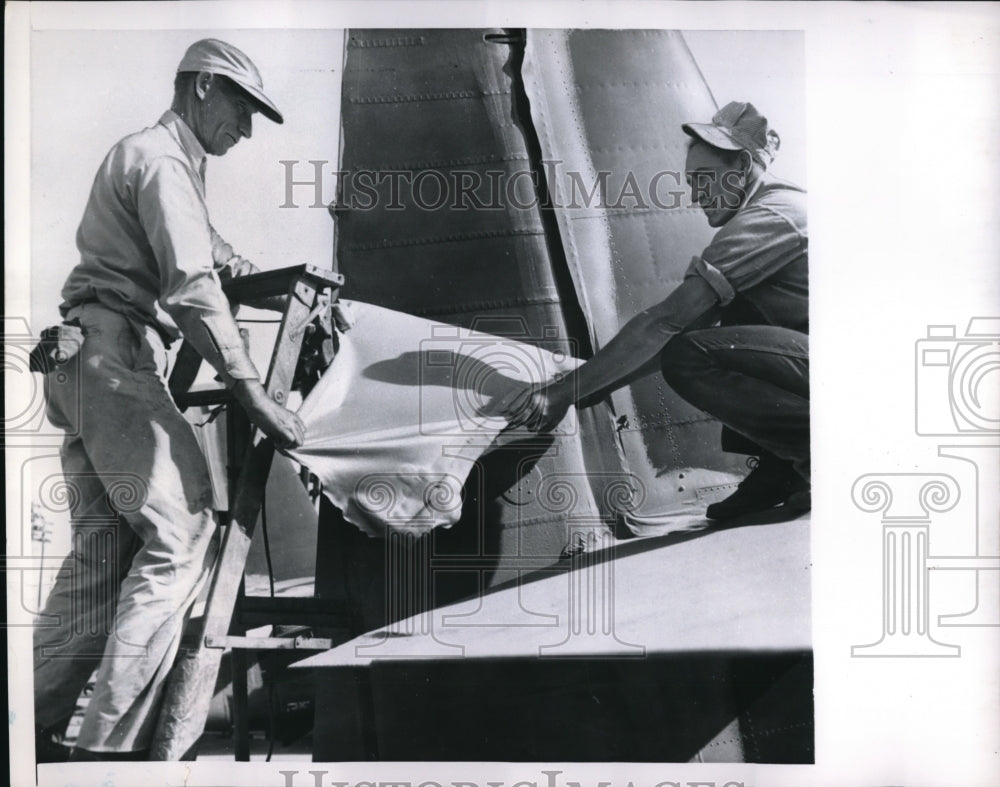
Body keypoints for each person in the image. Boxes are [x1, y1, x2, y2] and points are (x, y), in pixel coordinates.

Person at [32, 38, 305, 761]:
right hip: (113, 360)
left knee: (102, 561)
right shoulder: (162, 160)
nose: (245, 131)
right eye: (243, 110)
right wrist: (252, 392)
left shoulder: (158, 161)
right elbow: (190, 287)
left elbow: (201, 243)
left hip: (80, 359)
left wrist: (244, 263)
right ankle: (106, 751)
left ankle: (25, 730)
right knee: (184, 536)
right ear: (204, 88)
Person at [492, 101, 810, 520]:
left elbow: (666, 322)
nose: (694, 194)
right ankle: (782, 467)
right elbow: (687, 328)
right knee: (718, 327)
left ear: (743, 166)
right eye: (690, 180)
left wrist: (561, 394)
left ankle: (814, 457)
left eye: (704, 178)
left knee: (694, 357)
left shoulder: (769, 216)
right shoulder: (769, 210)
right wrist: (597, 384)